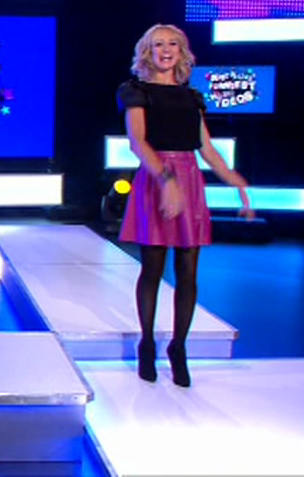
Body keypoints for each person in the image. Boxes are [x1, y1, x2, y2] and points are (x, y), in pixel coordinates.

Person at [116, 23, 253, 388]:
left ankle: (178, 347)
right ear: (147, 52)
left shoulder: (192, 96)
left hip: (189, 179)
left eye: (173, 44)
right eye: (158, 44)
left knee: (189, 272)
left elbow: (206, 147)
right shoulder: (135, 91)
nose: (166, 50)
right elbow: (137, 142)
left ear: (182, 51)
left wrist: (233, 179)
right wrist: (167, 181)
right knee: (153, 268)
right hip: (156, 177)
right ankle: (147, 344)